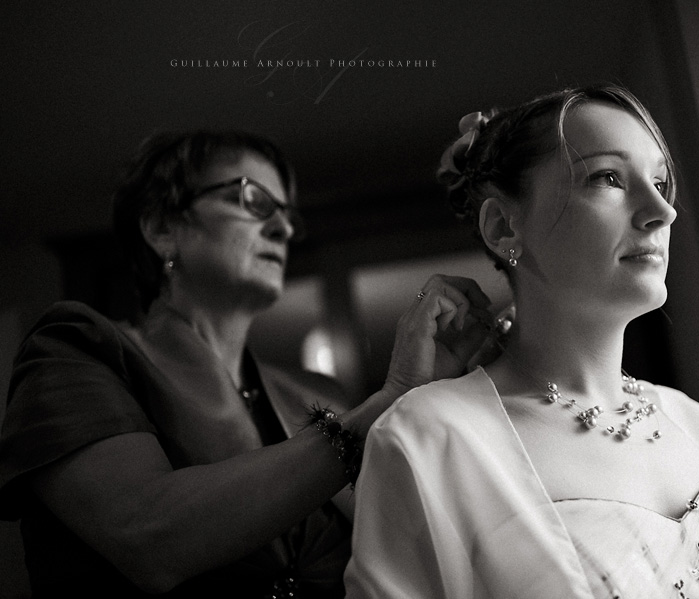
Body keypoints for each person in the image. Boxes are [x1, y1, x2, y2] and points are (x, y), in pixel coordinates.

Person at [343, 85, 699, 598]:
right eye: (608, 178)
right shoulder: (431, 435)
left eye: (661, 182)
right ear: (503, 227)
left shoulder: (692, 419)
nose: (663, 211)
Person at [0, 130, 493, 597]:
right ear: (162, 228)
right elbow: (147, 536)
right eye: (252, 200)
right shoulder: (77, 348)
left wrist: (440, 399)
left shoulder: (318, 394)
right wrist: (386, 403)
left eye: (286, 214)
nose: (282, 228)